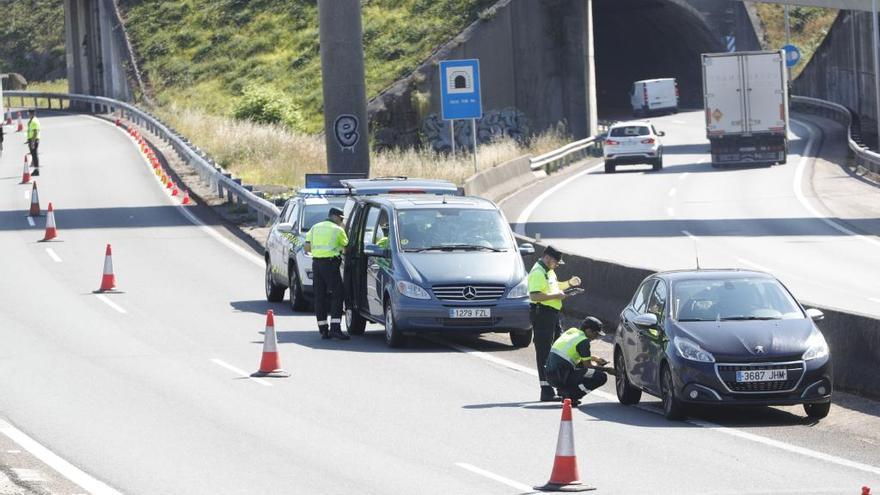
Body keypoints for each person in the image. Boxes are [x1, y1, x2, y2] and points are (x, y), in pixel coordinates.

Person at [528, 245, 582, 402]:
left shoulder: (548, 271)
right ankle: (546, 390)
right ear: (548, 258)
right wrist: (556, 295)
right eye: (556, 262)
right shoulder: (538, 272)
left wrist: (569, 284)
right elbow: (535, 296)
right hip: (542, 314)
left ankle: (560, 388)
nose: (557, 265)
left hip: (551, 314)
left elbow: (555, 286)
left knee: (558, 351)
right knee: (545, 353)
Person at [305, 207, 350, 340]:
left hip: (316, 264)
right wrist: (339, 250)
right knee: (338, 294)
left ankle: (323, 329)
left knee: (319, 296)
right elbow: (346, 249)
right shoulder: (338, 230)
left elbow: (307, 247)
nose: (341, 221)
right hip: (330, 265)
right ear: (335, 217)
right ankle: (335, 328)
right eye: (341, 219)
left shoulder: (315, 227)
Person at [545, 316, 609, 407]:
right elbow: (588, 366)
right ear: (588, 330)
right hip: (561, 376)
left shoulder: (572, 332)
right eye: (595, 334)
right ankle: (571, 395)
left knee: (580, 365)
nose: (596, 337)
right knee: (600, 376)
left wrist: (596, 359)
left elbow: (575, 354)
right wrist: (607, 369)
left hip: (551, 375)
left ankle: (565, 391)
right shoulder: (583, 341)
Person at [26, 109, 40, 175]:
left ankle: (36, 171)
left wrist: (32, 142)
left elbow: (35, 132)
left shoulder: (34, 121)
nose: (28, 115)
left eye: (29, 113)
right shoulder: (32, 120)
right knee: (34, 155)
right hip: (32, 139)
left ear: (32, 114)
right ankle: (36, 170)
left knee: (34, 156)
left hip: (33, 139)